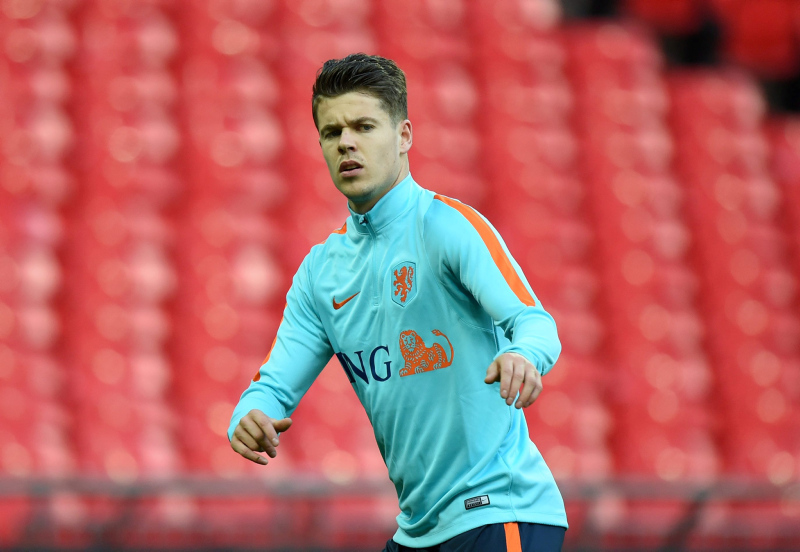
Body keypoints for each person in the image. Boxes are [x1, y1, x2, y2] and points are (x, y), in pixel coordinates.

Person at [228, 53, 567, 552]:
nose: (346, 142)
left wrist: (523, 355)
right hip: (419, 531)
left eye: (363, 126)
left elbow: (535, 322)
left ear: (404, 135)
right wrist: (250, 413)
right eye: (331, 132)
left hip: (500, 512)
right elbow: (274, 387)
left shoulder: (447, 227)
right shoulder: (319, 274)